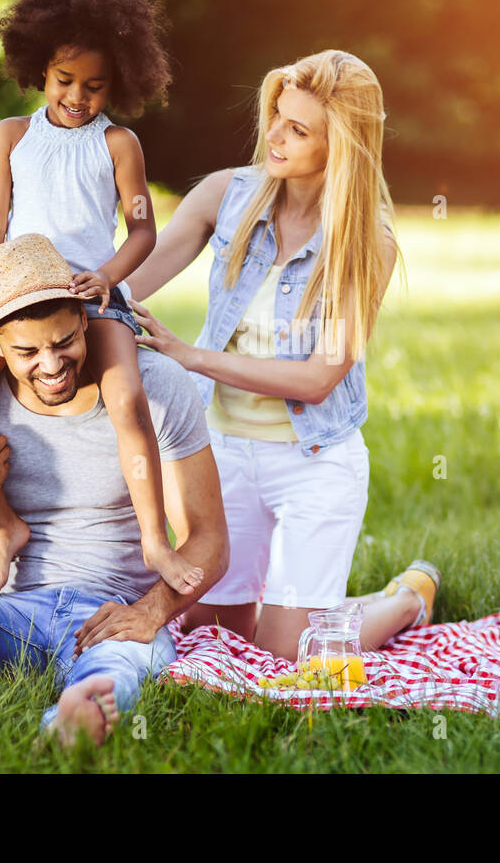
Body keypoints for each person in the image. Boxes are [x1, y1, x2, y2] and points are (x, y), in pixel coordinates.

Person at [126, 50, 438, 662]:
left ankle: (404, 600)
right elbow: (131, 279)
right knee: (214, 631)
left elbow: (320, 377)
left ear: (341, 145)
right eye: (276, 115)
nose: (275, 135)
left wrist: (191, 357)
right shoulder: (226, 195)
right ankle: (318, 606)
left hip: (313, 461)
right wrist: (43, 301)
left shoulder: (366, 241)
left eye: (299, 130)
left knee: (292, 654)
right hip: (228, 452)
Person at [0, 0, 204, 600]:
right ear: (39, 68)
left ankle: (155, 539)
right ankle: (4, 524)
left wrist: (104, 278)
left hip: (88, 301)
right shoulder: (11, 136)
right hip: (17, 301)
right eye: (65, 80)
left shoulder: (119, 145)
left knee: (128, 400)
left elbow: (142, 233)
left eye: (95, 87)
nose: (77, 97)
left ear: (119, 85)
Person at [0, 234, 228, 745]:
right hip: (13, 613)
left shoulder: (157, 389)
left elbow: (209, 540)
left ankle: (69, 726)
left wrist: (150, 612)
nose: (51, 365)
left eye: (65, 341)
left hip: (115, 614)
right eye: (27, 351)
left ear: (85, 318)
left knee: (118, 662)